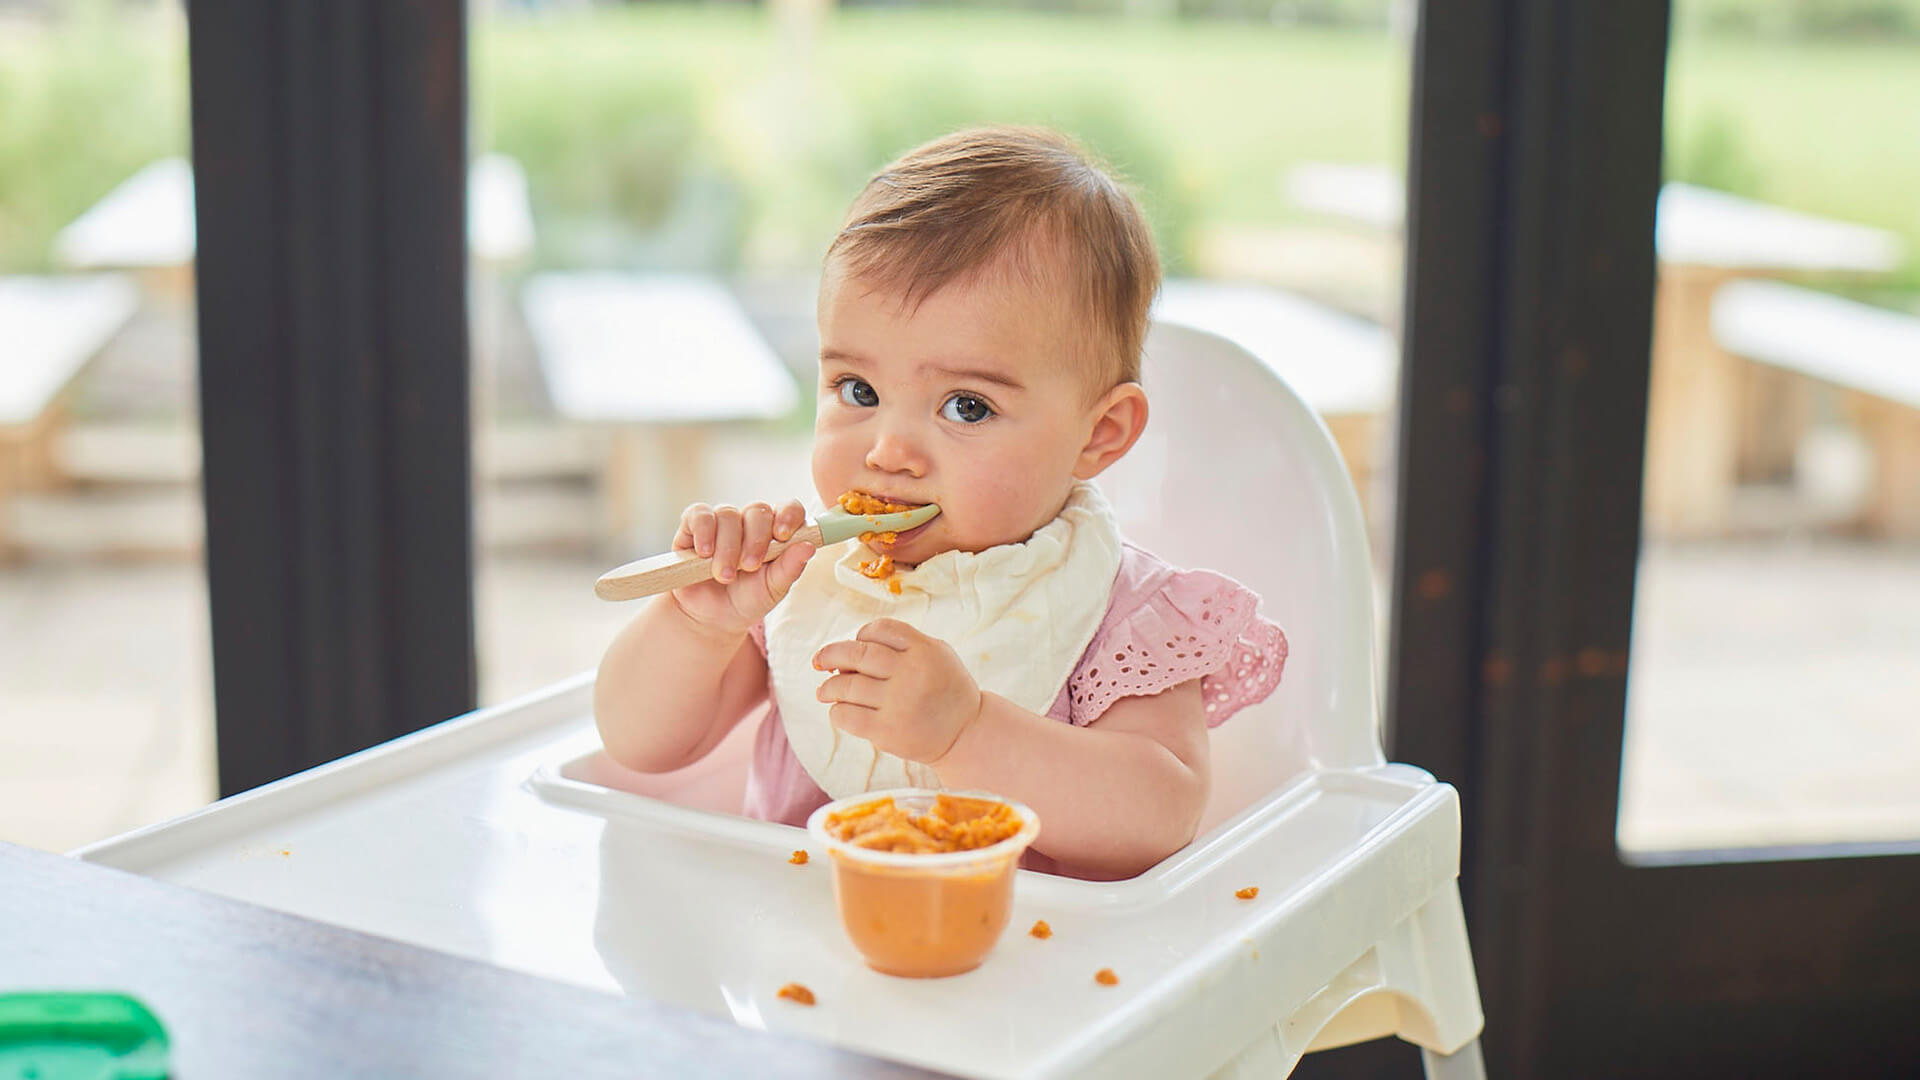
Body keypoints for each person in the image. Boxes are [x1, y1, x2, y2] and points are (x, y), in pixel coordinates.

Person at [595, 126, 1285, 879]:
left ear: (1100, 435)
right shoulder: (804, 584)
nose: (889, 450)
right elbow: (641, 744)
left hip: (1035, 970)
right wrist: (698, 624)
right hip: (796, 951)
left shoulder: (1121, 613)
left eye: (966, 407)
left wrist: (966, 732)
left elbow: (1159, 814)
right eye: (858, 391)